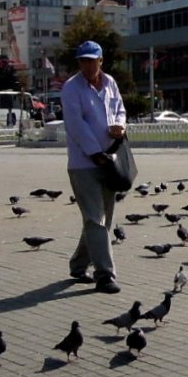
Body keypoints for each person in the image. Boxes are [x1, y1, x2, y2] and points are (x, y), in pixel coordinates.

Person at [61, 40, 127, 294]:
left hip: (110, 159)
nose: (88, 65)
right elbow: (76, 125)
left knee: (102, 220)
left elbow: (120, 109)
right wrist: (95, 153)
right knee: (94, 219)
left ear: (101, 61)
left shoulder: (110, 82)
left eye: (92, 60)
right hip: (84, 164)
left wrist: (121, 126)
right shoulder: (71, 88)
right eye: (83, 61)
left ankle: (79, 265)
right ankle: (104, 274)